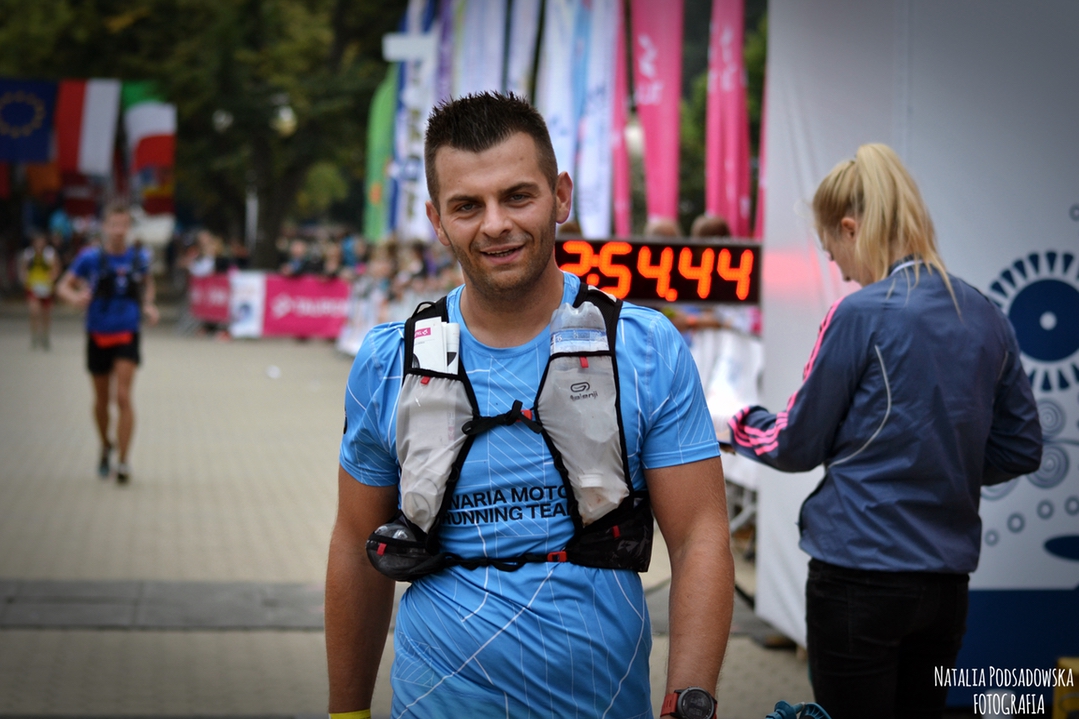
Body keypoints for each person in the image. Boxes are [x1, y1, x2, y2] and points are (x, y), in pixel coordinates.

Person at [326, 92, 735, 719]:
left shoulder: (643, 348)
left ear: (561, 197)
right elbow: (356, 543)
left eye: (517, 196)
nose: (495, 224)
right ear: (437, 221)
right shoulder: (390, 359)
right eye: (468, 205)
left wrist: (689, 704)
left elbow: (700, 536)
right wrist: (346, 714)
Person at [727, 144, 1042, 719]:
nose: (841, 269)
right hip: (945, 585)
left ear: (850, 228)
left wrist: (734, 423)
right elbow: (1021, 448)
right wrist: (943, 463)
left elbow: (794, 444)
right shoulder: (986, 314)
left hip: (858, 577)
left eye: (833, 252)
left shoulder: (860, 313)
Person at [57, 202, 159, 484]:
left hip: (127, 332)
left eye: (123, 225)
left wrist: (148, 305)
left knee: (122, 397)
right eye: (114, 225)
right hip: (97, 333)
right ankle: (105, 444)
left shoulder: (139, 257)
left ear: (129, 227)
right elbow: (63, 285)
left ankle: (123, 462)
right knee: (101, 401)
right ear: (105, 227)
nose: (118, 231)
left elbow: (147, 285)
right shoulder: (89, 258)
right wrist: (74, 298)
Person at [19, 232, 60, 349]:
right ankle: (34, 335)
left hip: (46, 287)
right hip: (33, 286)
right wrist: (25, 279)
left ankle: (45, 336)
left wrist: (52, 277)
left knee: (46, 314)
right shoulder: (28, 254)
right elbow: (23, 269)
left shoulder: (50, 253)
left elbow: (56, 268)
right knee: (34, 312)